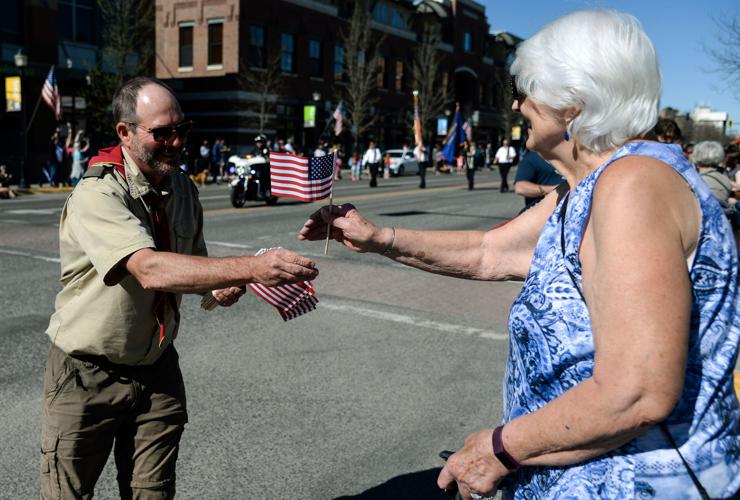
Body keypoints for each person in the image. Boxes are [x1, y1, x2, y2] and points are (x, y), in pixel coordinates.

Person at [299, 10, 739, 499]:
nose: (515, 104)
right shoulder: (584, 189)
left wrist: (500, 448)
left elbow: (635, 392)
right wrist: (379, 237)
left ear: (573, 104)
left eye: (525, 90)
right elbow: (490, 251)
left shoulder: (634, 184)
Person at [40, 76, 318, 499]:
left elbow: (196, 271)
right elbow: (149, 268)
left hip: (156, 368)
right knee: (67, 495)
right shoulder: (97, 194)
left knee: (154, 493)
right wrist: (253, 266)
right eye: (162, 133)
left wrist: (224, 286)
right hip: (86, 373)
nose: (175, 142)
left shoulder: (183, 188)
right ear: (125, 132)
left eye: (181, 130)